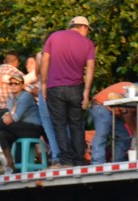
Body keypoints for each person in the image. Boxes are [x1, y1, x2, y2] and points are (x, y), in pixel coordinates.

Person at [40, 16, 96, 167]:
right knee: (77, 125)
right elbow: (90, 68)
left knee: (59, 125)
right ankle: (79, 159)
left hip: (55, 88)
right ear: (83, 27)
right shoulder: (88, 44)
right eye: (87, 30)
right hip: (76, 88)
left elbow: (45, 61)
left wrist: (44, 84)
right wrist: (86, 92)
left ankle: (65, 160)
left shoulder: (54, 37)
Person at [0, 68, 45, 172]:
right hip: (22, 128)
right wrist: (6, 115)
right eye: (11, 83)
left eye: (17, 83)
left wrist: (6, 117)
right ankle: (10, 163)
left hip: (34, 128)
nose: (13, 85)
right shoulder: (11, 100)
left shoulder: (26, 96)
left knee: (1, 124)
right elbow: (11, 117)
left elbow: (15, 118)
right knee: (2, 134)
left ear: (22, 85)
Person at [89, 82, 138, 163]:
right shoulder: (133, 92)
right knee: (103, 132)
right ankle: (97, 162)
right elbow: (127, 114)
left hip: (113, 110)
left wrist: (137, 133)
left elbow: (131, 117)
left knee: (124, 136)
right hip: (100, 105)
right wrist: (137, 134)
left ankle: (117, 161)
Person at [25, 53, 60, 165]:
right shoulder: (60, 55)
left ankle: (56, 156)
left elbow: (36, 75)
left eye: (32, 62)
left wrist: (28, 87)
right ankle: (62, 155)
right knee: (60, 125)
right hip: (57, 90)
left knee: (49, 127)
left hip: (45, 92)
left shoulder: (41, 55)